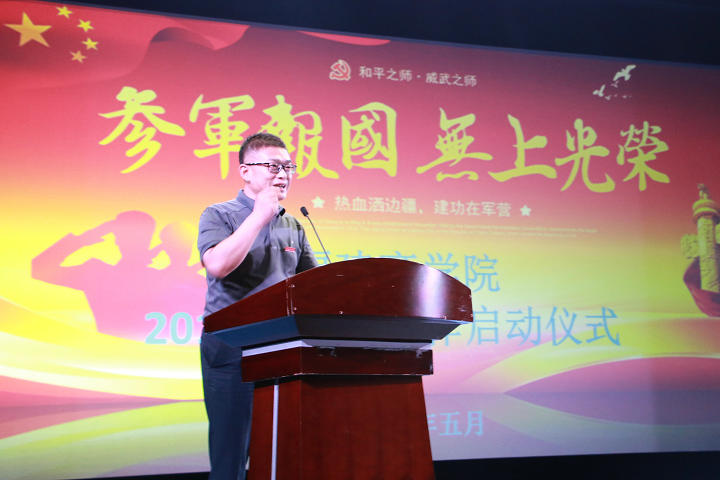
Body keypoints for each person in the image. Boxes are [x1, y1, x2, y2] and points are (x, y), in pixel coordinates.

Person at [197, 132, 318, 479]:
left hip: (282, 348)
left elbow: (312, 287)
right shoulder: (219, 214)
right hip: (231, 348)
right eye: (273, 166)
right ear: (245, 171)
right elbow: (217, 265)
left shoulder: (293, 224)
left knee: (281, 448)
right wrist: (258, 216)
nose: (283, 174)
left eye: (289, 167)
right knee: (231, 452)